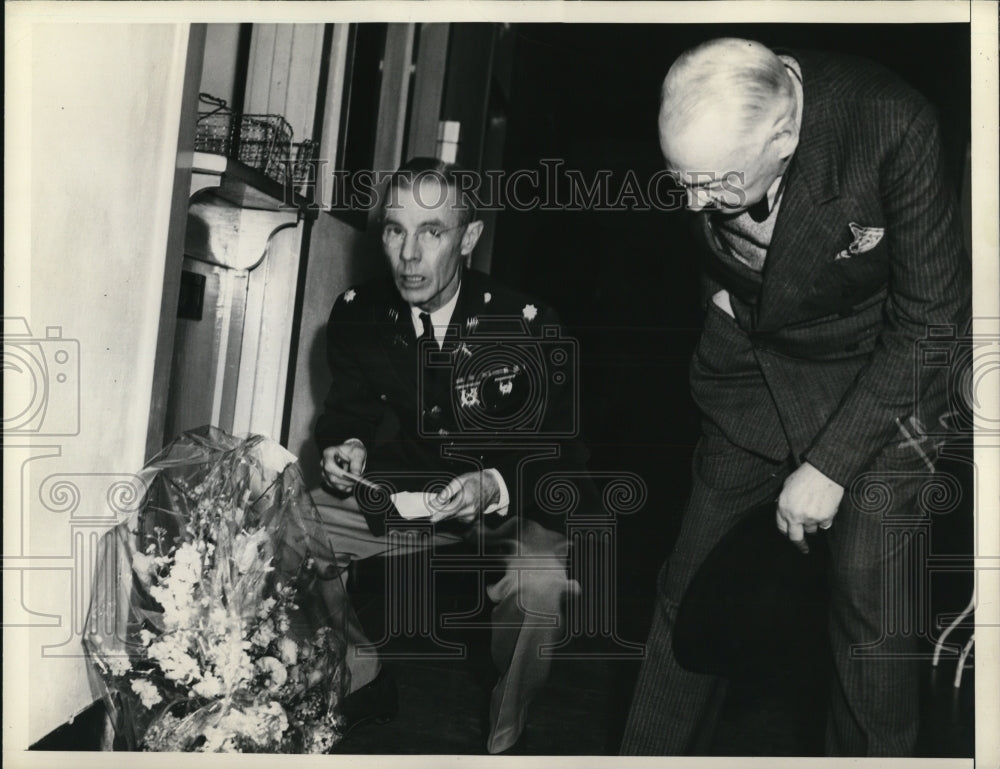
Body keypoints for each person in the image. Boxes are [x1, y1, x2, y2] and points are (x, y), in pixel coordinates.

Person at [620, 38, 970, 756]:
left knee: (871, 603)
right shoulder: (716, 136)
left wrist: (832, 463)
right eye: (677, 179)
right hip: (752, 366)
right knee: (687, 592)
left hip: (884, 375)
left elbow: (933, 320)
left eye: (710, 182)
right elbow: (720, 255)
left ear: (784, 137)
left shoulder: (894, 125)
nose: (688, 203)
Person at [312, 157, 592, 754]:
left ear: (468, 237)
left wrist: (492, 484)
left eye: (431, 231)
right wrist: (346, 445)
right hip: (405, 501)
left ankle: (504, 735)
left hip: (506, 508)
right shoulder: (359, 313)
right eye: (394, 229)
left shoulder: (526, 325)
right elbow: (346, 410)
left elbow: (561, 456)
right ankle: (362, 675)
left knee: (540, 586)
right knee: (288, 527)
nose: (408, 255)